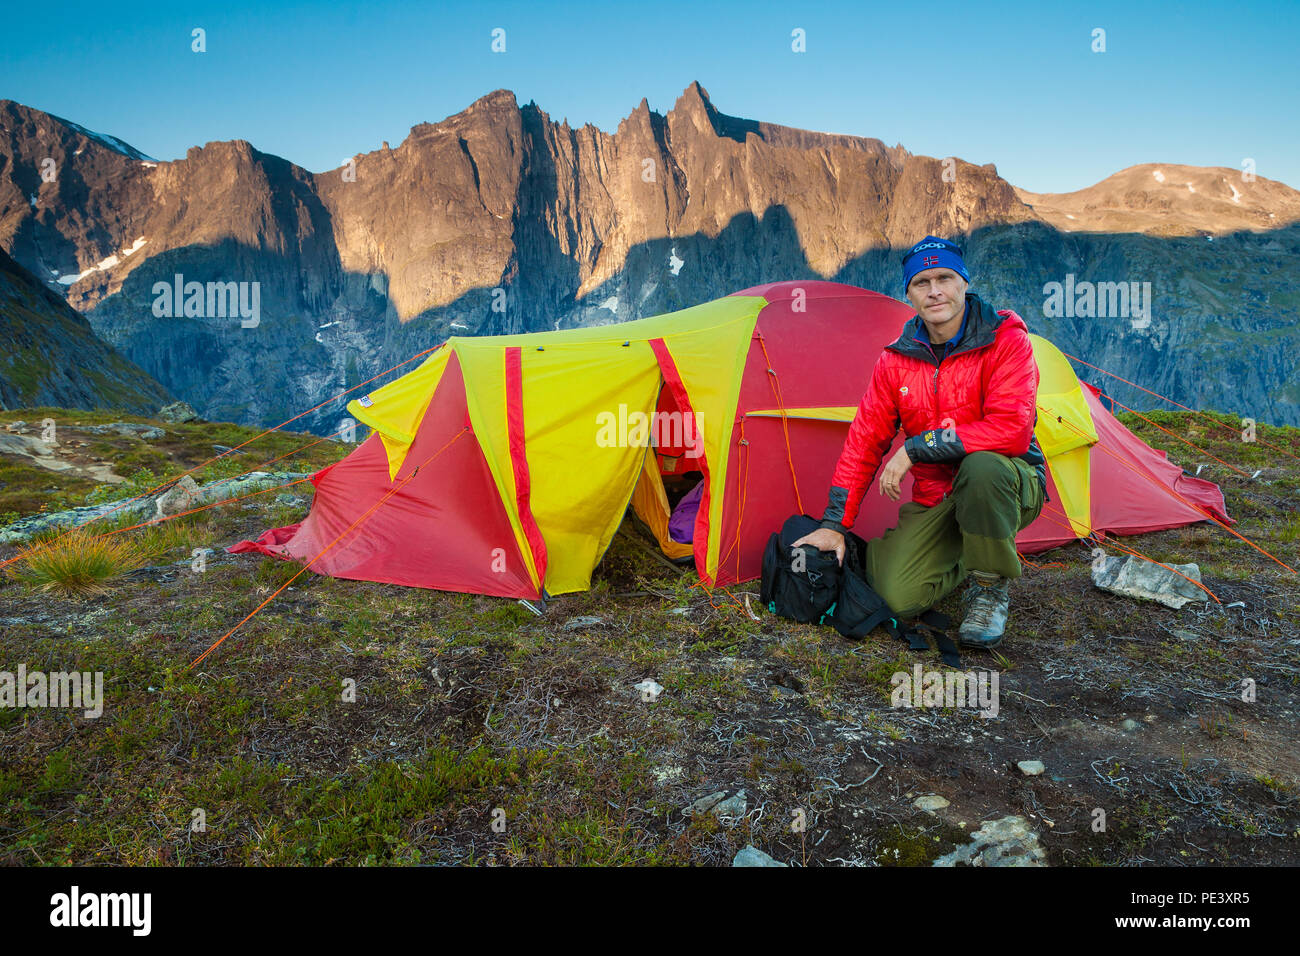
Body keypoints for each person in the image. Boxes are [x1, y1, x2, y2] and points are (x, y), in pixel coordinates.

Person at [793, 236, 1045, 649]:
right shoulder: (895, 360)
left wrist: (917, 447)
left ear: (964, 282)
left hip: (1009, 485)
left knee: (982, 467)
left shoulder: (1005, 341)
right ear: (909, 294)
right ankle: (975, 546)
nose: (935, 291)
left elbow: (1011, 431)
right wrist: (834, 525)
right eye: (921, 283)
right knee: (896, 597)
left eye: (944, 278)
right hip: (938, 498)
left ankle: (990, 587)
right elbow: (864, 442)